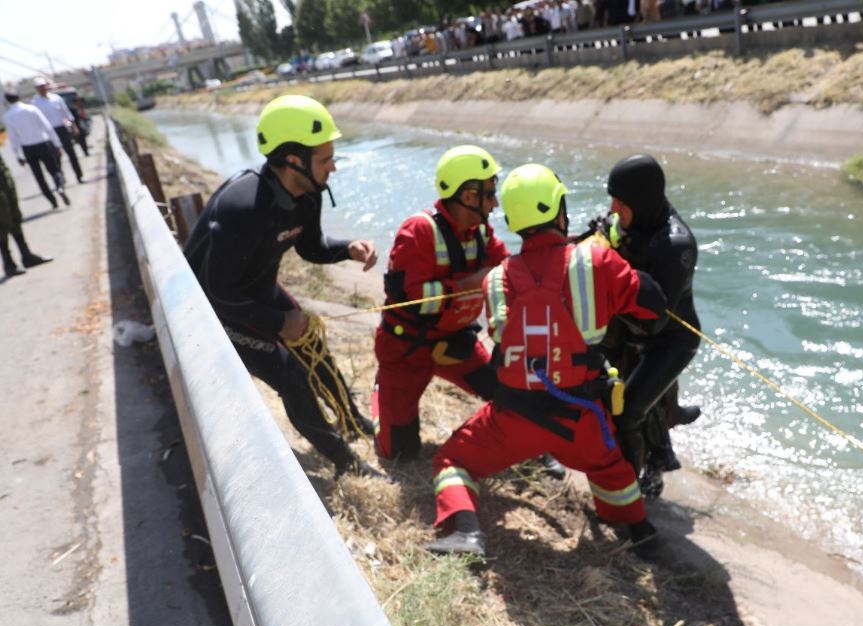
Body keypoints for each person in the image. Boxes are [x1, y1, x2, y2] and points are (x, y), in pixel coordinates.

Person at [426, 163, 667, 559]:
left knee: (450, 461)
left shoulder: (496, 279)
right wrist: (611, 252)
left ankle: (466, 533)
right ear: (559, 210)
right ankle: (638, 532)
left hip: (512, 420)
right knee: (611, 469)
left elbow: (516, 326)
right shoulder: (597, 263)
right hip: (581, 417)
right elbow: (652, 302)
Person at [183, 95, 378, 478]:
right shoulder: (243, 207)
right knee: (291, 374)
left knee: (314, 349)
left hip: (254, 290)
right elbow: (217, 292)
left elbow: (310, 247)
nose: (333, 167)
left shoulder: (307, 193)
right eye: (325, 159)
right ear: (293, 160)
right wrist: (277, 322)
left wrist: (347, 250)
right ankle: (345, 462)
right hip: (213, 309)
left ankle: (352, 420)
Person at [372, 145, 508, 461]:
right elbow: (409, 298)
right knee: (398, 453)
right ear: (469, 196)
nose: (495, 202)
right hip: (407, 350)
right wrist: (470, 284)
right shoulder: (418, 230)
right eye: (490, 193)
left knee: (507, 396)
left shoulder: (482, 233)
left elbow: (510, 269)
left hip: (454, 344)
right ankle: (382, 394)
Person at [588, 154, 701, 498]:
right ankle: (660, 442)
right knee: (620, 399)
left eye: (619, 204)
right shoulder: (629, 222)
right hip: (629, 331)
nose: (612, 209)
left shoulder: (675, 246)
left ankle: (631, 492)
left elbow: (652, 321)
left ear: (640, 202)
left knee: (629, 412)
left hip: (669, 339)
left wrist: (610, 261)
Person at [2, 92, 68, 210]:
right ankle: (60, 187)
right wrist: (57, 144)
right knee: (54, 170)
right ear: (19, 97)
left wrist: (18, 155)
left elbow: (13, 138)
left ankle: (52, 201)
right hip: (43, 144)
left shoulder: (8, 116)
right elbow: (47, 126)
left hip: (28, 148)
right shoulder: (32, 109)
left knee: (39, 177)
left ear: (7, 101)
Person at [1, 153, 52, 278]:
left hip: (2, 172)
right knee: (2, 220)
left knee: (15, 214)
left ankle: (26, 255)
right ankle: (8, 263)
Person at [31, 78, 83, 184]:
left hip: (62, 129)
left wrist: (73, 126)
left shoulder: (56, 98)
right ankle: (61, 179)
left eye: (43, 86)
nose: (42, 88)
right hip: (49, 133)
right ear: (36, 89)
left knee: (71, 153)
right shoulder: (35, 103)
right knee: (56, 157)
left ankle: (79, 176)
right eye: (39, 87)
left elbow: (66, 113)